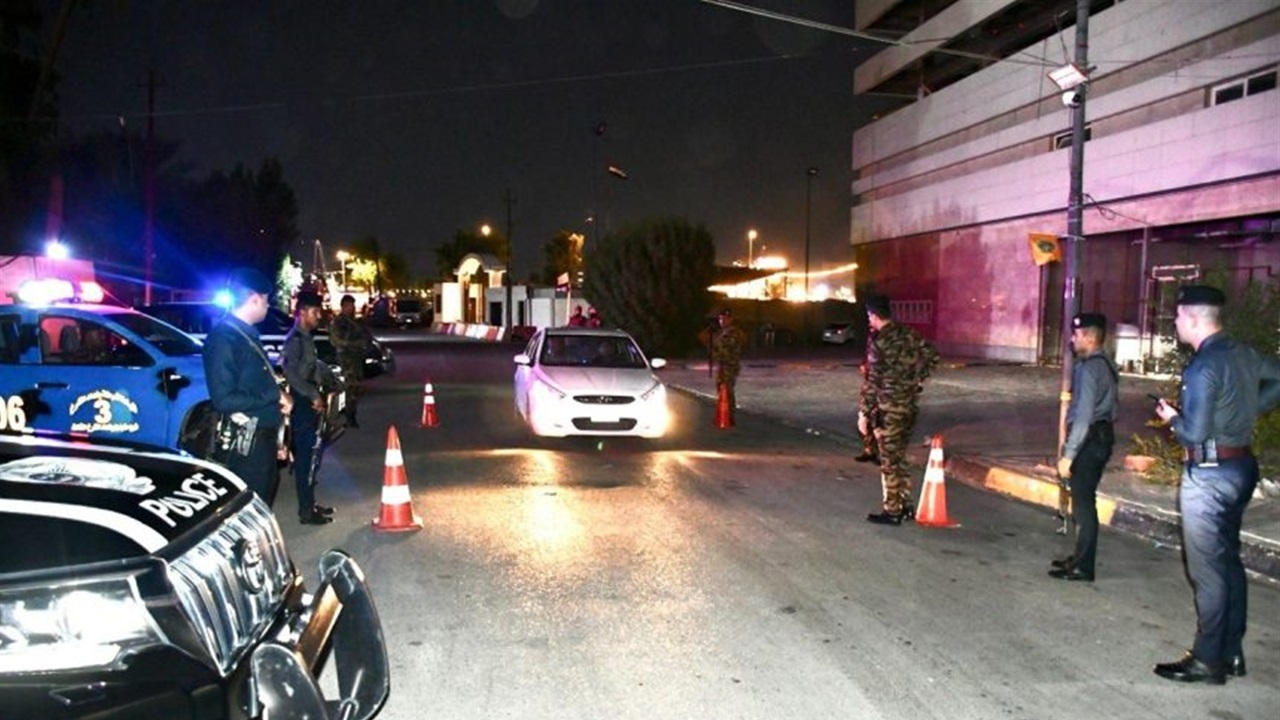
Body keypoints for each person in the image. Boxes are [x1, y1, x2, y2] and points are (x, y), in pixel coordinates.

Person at [1152, 285, 1280, 684]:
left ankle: (1207, 660)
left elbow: (1193, 433)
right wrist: (1250, 409)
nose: (1175, 323)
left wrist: (1171, 417)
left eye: (1178, 316)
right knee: (1227, 561)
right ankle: (1231, 651)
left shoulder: (1202, 367)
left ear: (1193, 318)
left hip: (1208, 477)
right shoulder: (1243, 353)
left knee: (1207, 570)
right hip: (1241, 466)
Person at [202, 268, 292, 505]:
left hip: (261, 441)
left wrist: (276, 441)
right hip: (246, 447)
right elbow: (224, 399)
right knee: (251, 507)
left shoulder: (245, 335)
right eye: (266, 300)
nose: (268, 306)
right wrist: (274, 395)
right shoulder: (224, 339)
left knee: (263, 501)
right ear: (254, 299)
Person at [1049, 313, 1119, 582]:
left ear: (1089, 337)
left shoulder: (1089, 368)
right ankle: (1079, 558)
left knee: (1083, 505)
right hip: (1101, 436)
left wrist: (1069, 455)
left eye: (1077, 335)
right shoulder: (1106, 364)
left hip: (1089, 439)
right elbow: (1113, 409)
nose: (1072, 339)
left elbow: (1083, 416)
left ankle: (1083, 566)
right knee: (1083, 501)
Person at [858, 294, 940, 525]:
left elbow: (873, 381)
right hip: (909, 405)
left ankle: (892, 510)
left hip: (889, 408)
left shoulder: (880, 342)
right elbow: (932, 356)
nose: (869, 320)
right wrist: (917, 378)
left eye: (869, 316)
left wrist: (864, 411)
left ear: (874, 316)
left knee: (889, 460)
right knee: (900, 456)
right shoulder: (909, 334)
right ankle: (905, 505)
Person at [283, 291, 336, 526]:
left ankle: (310, 503)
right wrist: (313, 395)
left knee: (312, 457)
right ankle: (306, 511)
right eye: (315, 312)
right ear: (302, 312)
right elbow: (292, 374)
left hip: (307, 400)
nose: (319, 316)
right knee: (305, 459)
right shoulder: (295, 340)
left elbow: (312, 368)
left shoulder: (305, 337)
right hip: (301, 402)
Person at [330, 294, 372, 428]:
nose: (352, 308)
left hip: (356, 357)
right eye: (349, 306)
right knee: (350, 386)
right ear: (344, 306)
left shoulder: (355, 322)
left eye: (353, 305)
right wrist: (355, 343)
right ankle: (349, 415)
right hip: (346, 358)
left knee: (356, 386)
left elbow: (366, 336)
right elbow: (336, 340)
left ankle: (351, 413)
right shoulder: (339, 322)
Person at [711, 308, 746, 423]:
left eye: (725, 319)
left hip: (730, 365)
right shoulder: (721, 332)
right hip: (722, 365)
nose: (722, 321)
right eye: (720, 319)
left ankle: (729, 415)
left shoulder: (733, 332)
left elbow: (727, 347)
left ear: (730, 319)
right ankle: (723, 414)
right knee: (721, 389)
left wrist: (717, 350)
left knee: (727, 389)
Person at [855, 326, 880, 463]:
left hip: (881, 388)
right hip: (869, 386)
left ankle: (880, 454)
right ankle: (869, 450)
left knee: (878, 422)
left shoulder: (887, 339)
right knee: (863, 421)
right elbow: (868, 355)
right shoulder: (872, 336)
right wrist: (864, 364)